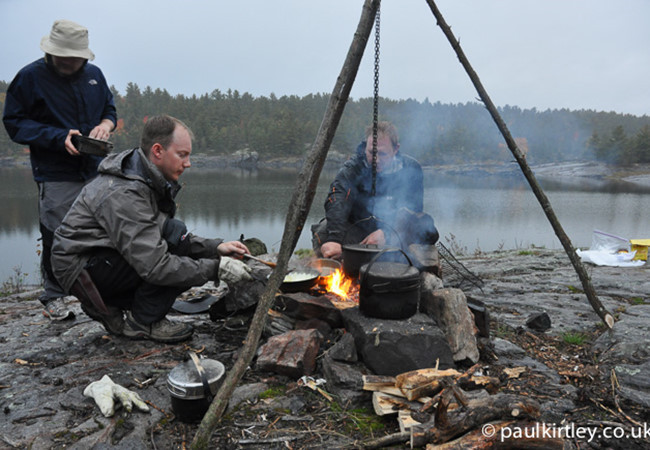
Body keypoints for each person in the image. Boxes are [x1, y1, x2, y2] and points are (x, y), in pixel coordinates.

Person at [51, 115, 252, 343]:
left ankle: (113, 306)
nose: (188, 163)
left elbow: (163, 230)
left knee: (175, 232)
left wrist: (215, 248)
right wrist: (217, 269)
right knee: (172, 251)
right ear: (157, 151)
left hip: (100, 257)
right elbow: (156, 265)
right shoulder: (125, 192)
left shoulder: (143, 176)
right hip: (82, 268)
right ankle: (142, 322)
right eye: (182, 155)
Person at [2, 19, 116, 320]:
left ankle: (99, 287)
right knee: (56, 233)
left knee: (102, 230)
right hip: (55, 172)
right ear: (51, 51)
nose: (71, 62)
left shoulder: (94, 75)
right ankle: (53, 295)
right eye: (65, 57)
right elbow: (14, 123)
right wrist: (57, 137)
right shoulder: (29, 77)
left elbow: (109, 109)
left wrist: (105, 126)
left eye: (76, 57)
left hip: (94, 168)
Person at [312, 121, 438, 260]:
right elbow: (338, 198)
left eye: (382, 154)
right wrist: (334, 239)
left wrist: (387, 233)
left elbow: (413, 211)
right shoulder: (353, 168)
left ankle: (399, 261)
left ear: (396, 149)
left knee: (426, 227)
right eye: (372, 152)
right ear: (366, 146)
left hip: (396, 229)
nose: (376, 160)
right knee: (324, 231)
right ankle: (341, 264)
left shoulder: (411, 168)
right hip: (359, 230)